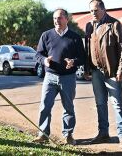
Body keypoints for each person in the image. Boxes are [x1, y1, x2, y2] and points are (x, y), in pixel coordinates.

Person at [34, 8, 85, 145]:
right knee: (45, 106)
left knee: (68, 107)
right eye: (55, 18)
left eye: (60, 18)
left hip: (68, 77)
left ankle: (68, 135)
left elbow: (83, 57)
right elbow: (38, 54)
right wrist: (44, 60)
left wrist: (74, 62)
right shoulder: (46, 35)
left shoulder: (75, 37)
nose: (57, 20)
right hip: (50, 76)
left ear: (66, 19)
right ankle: (43, 134)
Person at [84, 0, 122, 149]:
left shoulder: (115, 24)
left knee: (117, 103)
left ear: (103, 9)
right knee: (100, 103)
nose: (93, 13)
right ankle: (103, 133)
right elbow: (87, 48)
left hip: (112, 72)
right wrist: (87, 68)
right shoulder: (89, 26)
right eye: (91, 11)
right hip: (96, 71)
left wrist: (121, 71)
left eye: (95, 10)